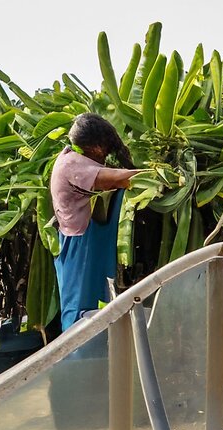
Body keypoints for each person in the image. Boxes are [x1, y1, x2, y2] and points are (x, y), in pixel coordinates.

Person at [49, 113, 142, 330]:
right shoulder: (73, 165)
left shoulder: (72, 156)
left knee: (97, 301)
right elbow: (119, 178)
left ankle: (92, 351)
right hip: (79, 244)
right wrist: (160, 174)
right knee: (79, 307)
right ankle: (75, 354)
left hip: (87, 240)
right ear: (96, 146)